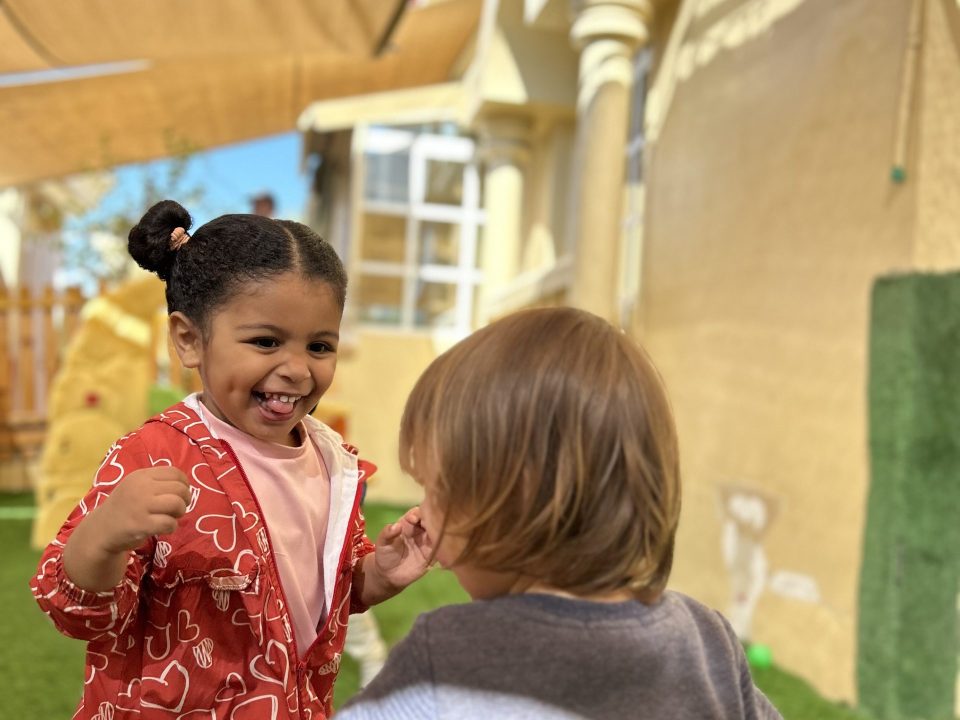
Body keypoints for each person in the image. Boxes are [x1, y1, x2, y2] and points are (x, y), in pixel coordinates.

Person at [30, 200, 431, 720]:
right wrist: (104, 532)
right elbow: (77, 612)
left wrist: (381, 572)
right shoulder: (154, 455)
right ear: (190, 340)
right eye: (266, 342)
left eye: (319, 345)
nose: (296, 369)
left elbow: (330, 594)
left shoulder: (332, 462)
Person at [337, 307, 783, 719]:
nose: (423, 514)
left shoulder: (450, 656)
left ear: (506, 501)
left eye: (434, 489)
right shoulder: (709, 642)